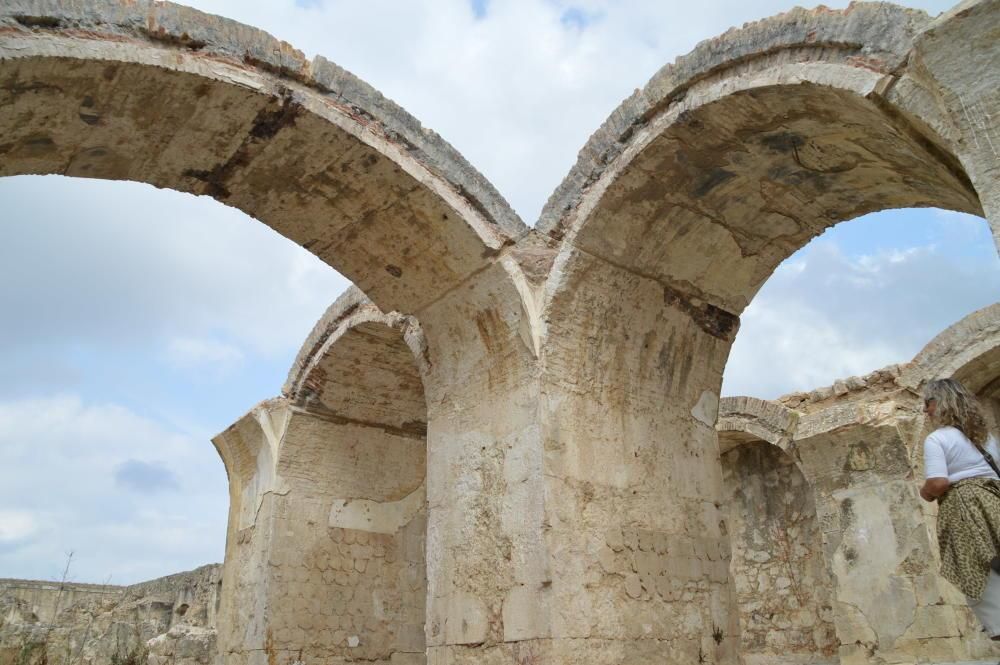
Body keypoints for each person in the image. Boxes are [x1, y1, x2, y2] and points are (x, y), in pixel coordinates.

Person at [920, 378, 1000, 640]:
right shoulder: (986, 438)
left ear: (940, 404)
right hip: (993, 501)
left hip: (965, 509)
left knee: (977, 572)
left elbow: (938, 482)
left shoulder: (937, 439)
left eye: (928, 403)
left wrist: (926, 492)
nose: (925, 410)